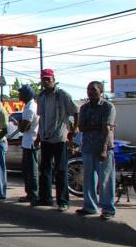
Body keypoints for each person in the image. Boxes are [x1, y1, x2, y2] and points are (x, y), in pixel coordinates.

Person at [36, 68, 79, 211]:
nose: (46, 82)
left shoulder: (62, 95)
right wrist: (38, 137)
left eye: (48, 79)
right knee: (45, 169)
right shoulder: (41, 96)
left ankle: (63, 201)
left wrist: (73, 131)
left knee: (61, 170)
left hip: (60, 137)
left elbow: (75, 111)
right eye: (44, 79)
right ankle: (45, 199)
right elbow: (41, 118)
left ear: (53, 80)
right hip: (45, 137)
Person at [77, 81, 117, 219]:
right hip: (88, 147)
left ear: (100, 91)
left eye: (93, 89)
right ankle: (90, 207)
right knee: (88, 179)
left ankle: (108, 209)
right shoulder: (84, 108)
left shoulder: (108, 107)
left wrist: (104, 149)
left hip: (103, 148)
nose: (90, 92)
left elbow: (106, 128)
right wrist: (98, 126)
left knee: (105, 180)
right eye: (88, 89)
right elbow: (81, 127)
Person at [17, 85, 41, 204]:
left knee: (31, 170)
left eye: (21, 93)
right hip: (28, 142)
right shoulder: (29, 105)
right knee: (28, 169)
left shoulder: (30, 107)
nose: (19, 95)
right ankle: (30, 193)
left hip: (31, 142)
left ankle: (33, 194)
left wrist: (19, 124)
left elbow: (23, 127)